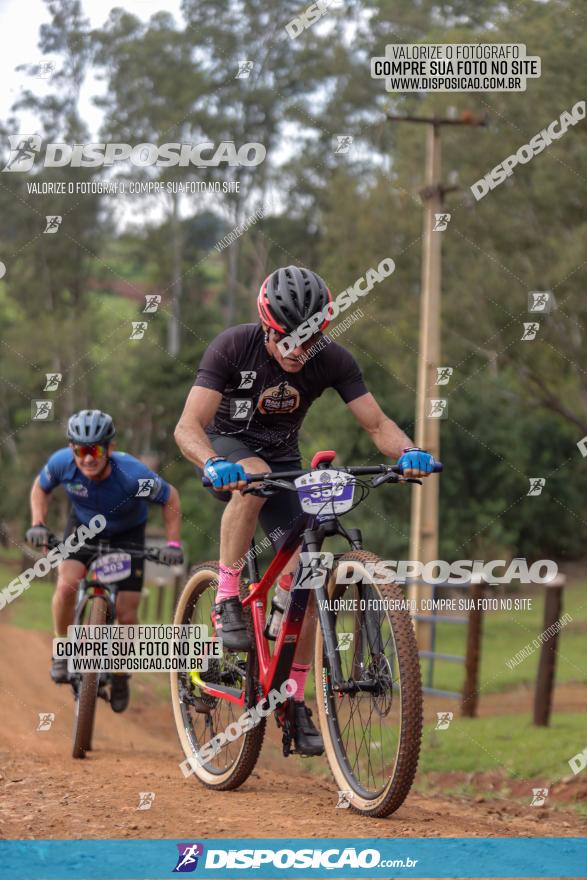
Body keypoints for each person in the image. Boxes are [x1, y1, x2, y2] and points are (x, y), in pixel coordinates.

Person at [174, 265, 437, 755]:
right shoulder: (234, 346)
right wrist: (210, 461)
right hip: (226, 452)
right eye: (287, 340)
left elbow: (377, 424)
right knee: (250, 476)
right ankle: (228, 594)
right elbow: (188, 425)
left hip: (284, 462)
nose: (298, 351)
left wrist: (407, 453)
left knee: (309, 577)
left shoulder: (333, 360)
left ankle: (290, 695)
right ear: (267, 327)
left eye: (309, 339)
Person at [26, 409, 183, 711]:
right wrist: (38, 523)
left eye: (95, 450)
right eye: (80, 451)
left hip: (128, 534)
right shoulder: (62, 464)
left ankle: (122, 675)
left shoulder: (133, 475)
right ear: (72, 449)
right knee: (67, 584)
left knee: (126, 614)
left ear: (109, 448)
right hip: (83, 529)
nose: (87, 459)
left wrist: (173, 543)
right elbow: (40, 488)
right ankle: (62, 651)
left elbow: (171, 498)